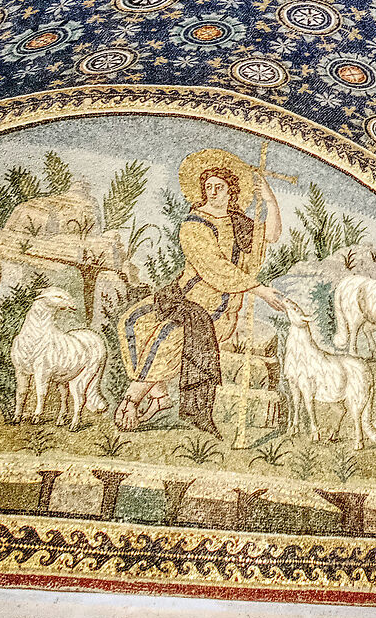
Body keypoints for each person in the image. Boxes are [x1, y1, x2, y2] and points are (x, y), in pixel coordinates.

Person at [112, 146, 281, 433]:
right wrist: (260, 290)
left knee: (169, 337)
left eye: (219, 187)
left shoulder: (241, 224)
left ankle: (130, 400)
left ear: (232, 191)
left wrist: (269, 199)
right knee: (133, 321)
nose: (213, 192)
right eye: (209, 187)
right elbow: (212, 267)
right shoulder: (194, 224)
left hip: (219, 309)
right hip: (185, 297)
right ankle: (159, 396)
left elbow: (272, 235)